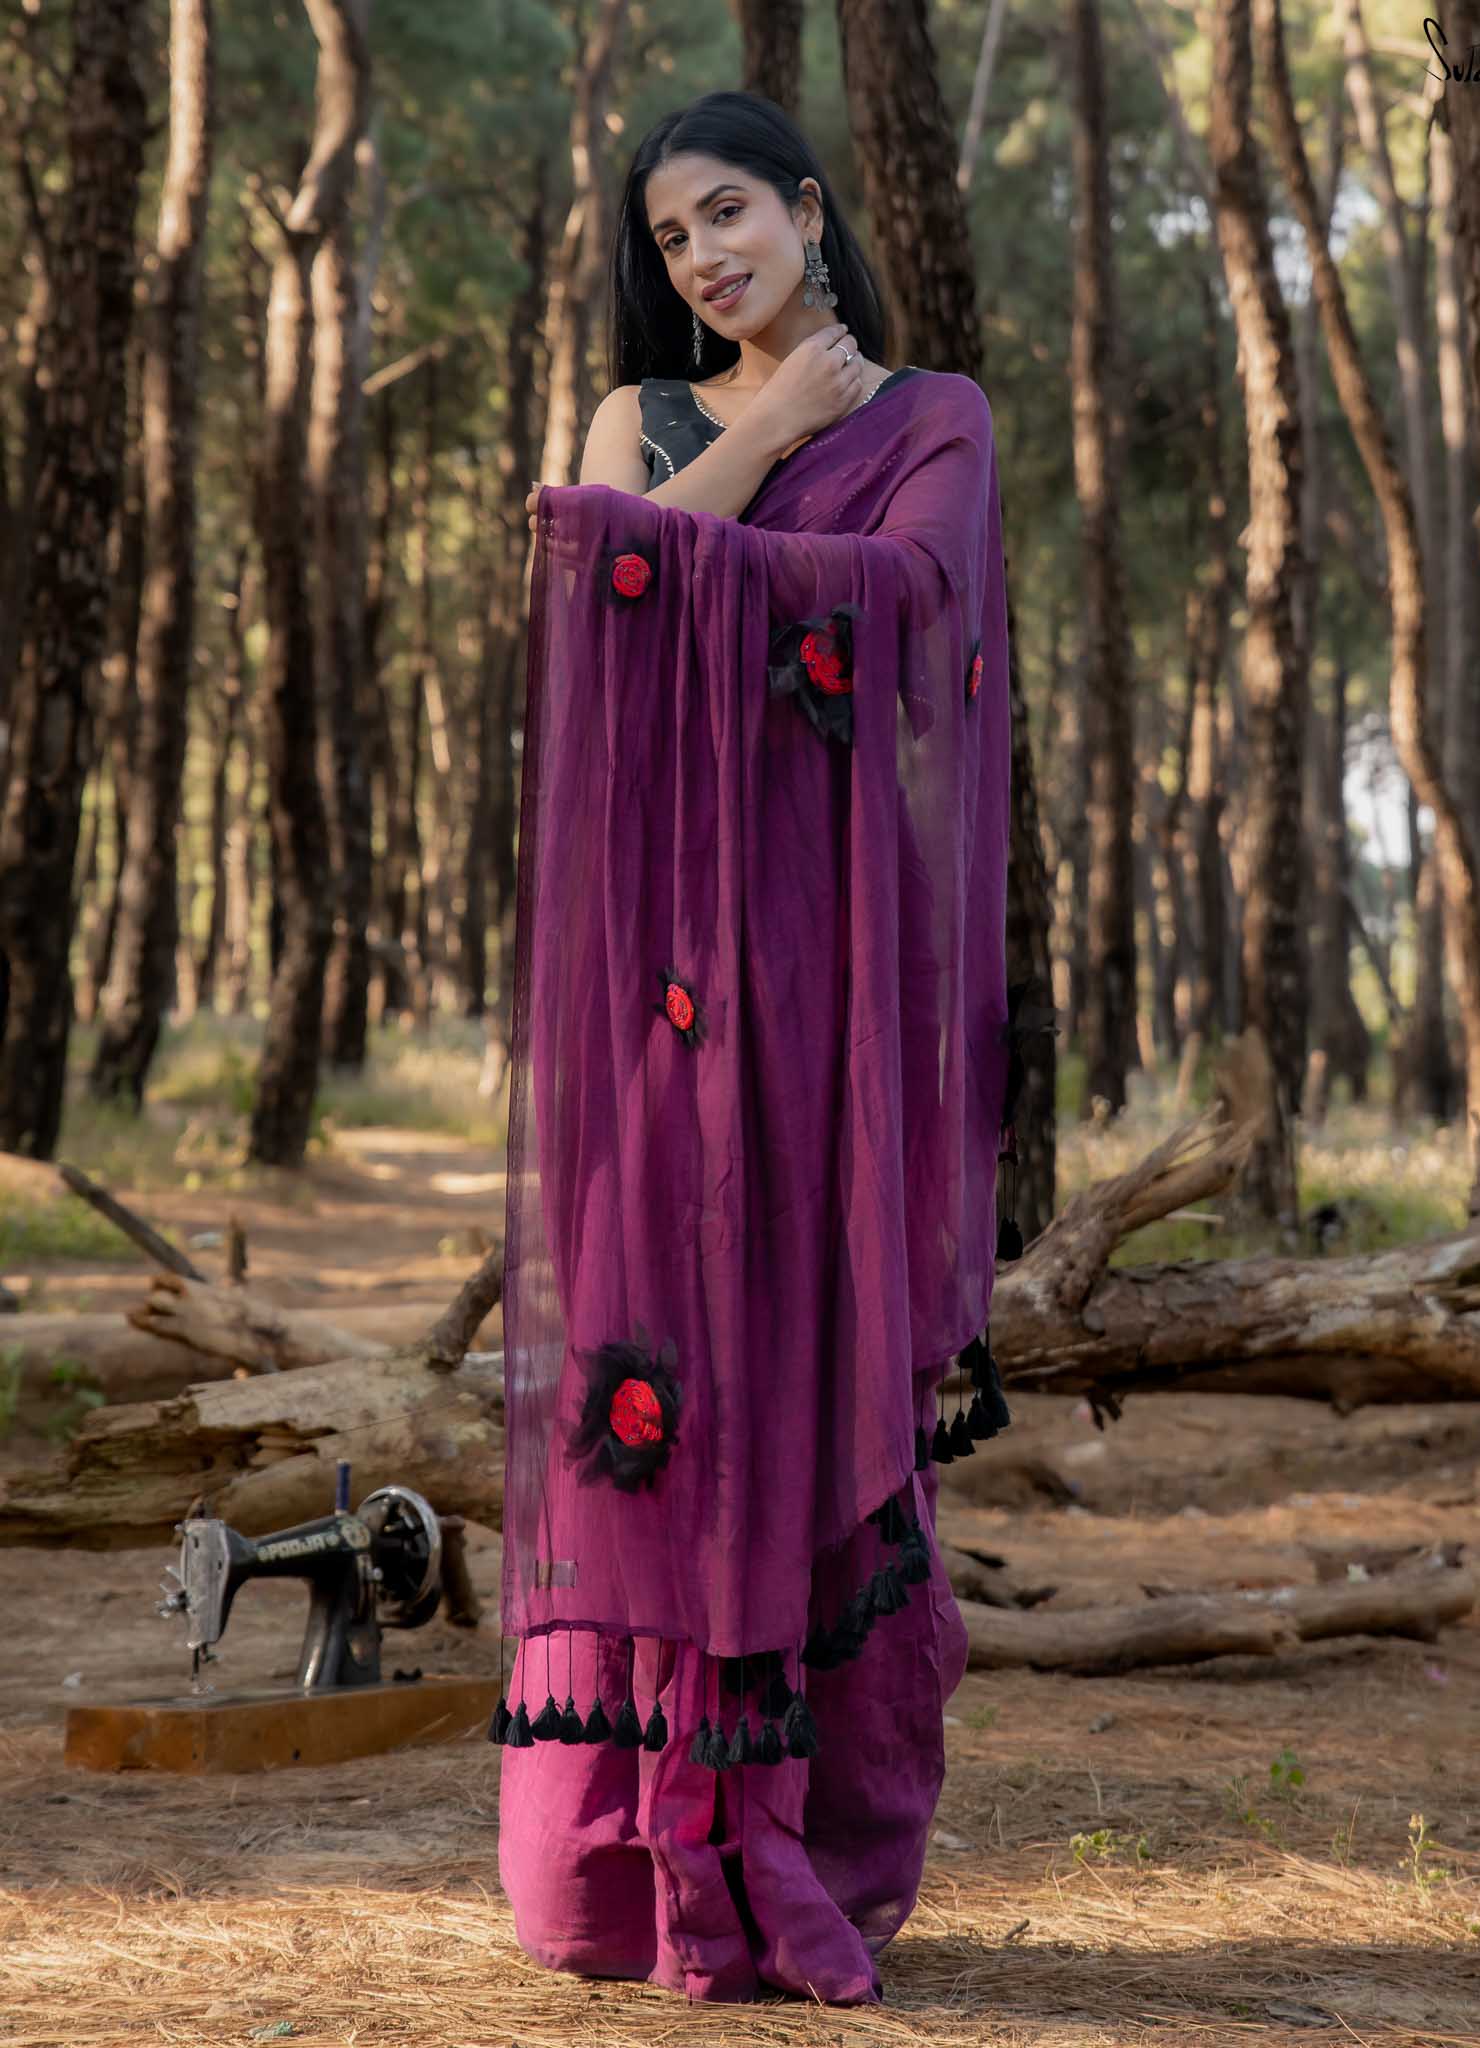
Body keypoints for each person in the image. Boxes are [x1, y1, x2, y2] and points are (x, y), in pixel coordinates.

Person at [493, 87, 1023, 2007]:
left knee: (808, 1344)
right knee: (661, 1358)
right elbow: (591, 590)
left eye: (727, 213)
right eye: (671, 238)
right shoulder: (638, 418)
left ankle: (810, 1837)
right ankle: (627, 1857)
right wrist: (776, 427)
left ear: (805, 208)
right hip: (655, 976)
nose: (703, 257)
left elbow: (915, 602)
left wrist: (718, 514)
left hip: (831, 975)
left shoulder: (936, 416)